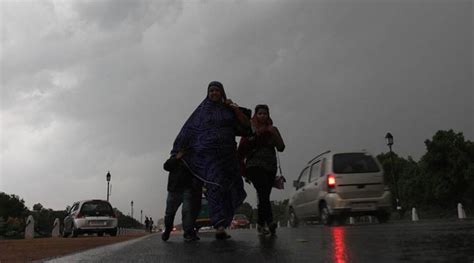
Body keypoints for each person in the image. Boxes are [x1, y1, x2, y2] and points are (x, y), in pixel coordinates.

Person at [171, 81, 249, 240]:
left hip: (228, 156)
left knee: (229, 188)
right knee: (214, 188)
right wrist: (177, 150)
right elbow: (189, 130)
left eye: (217, 90)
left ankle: (224, 222)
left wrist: (234, 107)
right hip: (210, 159)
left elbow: (246, 127)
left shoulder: (229, 110)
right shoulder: (201, 112)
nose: (214, 93)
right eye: (211, 90)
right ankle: (219, 226)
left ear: (222, 92)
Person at [237, 104, 285, 236]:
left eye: (265, 113)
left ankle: (259, 223)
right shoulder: (250, 128)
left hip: (270, 166)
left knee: (264, 195)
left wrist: (273, 133)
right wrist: (254, 137)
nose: (262, 116)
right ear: (256, 115)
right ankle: (270, 222)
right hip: (254, 166)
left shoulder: (273, 129)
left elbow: (281, 147)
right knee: (263, 191)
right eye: (260, 113)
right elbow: (241, 150)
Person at [161, 151, 202, 242]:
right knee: (169, 213)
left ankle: (188, 233)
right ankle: (168, 230)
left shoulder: (193, 159)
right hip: (173, 190)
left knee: (187, 211)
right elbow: (166, 166)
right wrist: (176, 158)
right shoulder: (175, 157)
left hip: (187, 189)